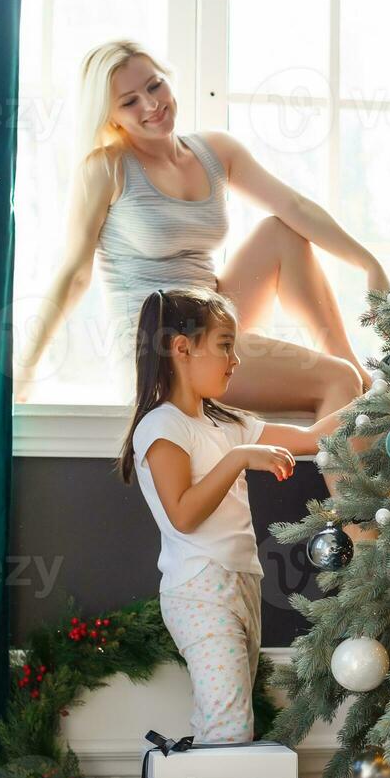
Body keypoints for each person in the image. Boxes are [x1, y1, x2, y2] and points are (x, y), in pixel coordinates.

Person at [18, 40, 386, 539]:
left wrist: (368, 262)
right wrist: (27, 369)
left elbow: (296, 206)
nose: (151, 104)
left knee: (281, 230)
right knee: (334, 381)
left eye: (155, 85)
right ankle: (366, 545)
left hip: (212, 317)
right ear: (110, 116)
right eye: (130, 101)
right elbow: (75, 274)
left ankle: (350, 367)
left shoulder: (216, 152)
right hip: (163, 344)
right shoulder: (106, 169)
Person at [119, 286, 354, 742]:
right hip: (200, 590)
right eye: (225, 345)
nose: (236, 359)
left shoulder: (227, 422)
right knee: (230, 727)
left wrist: (381, 400)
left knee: (221, 724)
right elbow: (183, 515)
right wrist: (239, 458)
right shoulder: (161, 426)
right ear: (181, 348)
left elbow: (314, 438)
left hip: (242, 582)